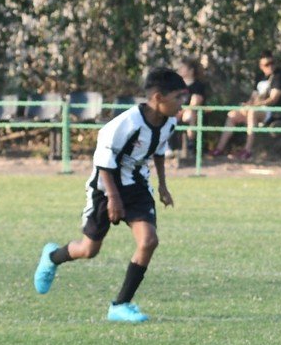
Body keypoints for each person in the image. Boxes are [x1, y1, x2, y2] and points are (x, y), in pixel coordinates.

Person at [32, 67, 188, 323]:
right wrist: (113, 198)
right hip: (106, 189)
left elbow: (158, 151)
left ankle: (120, 305)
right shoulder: (126, 123)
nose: (182, 104)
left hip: (137, 186)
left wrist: (162, 186)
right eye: (178, 98)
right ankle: (52, 257)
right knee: (89, 249)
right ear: (158, 97)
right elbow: (104, 161)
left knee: (148, 241)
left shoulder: (169, 122)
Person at [211, 52, 281, 159]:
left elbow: (273, 99)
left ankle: (247, 150)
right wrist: (247, 105)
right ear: (261, 66)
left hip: (273, 112)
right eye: (267, 64)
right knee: (233, 114)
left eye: (272, 63)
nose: (270, 66)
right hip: (257, 108)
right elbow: (253, 97)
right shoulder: (259, 77)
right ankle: (219, 149)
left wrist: (254, 106)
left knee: (252, 112)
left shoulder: (279, 76)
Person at [174, 58, 208, 163]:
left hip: (195, 114)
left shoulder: (198, 85)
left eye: (182, 68)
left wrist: (182, 111)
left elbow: (196, 102)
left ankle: (191, 147)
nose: (179, 70)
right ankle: (171, 149)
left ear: (191, 71)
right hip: (177, 112)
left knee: (190, 115)